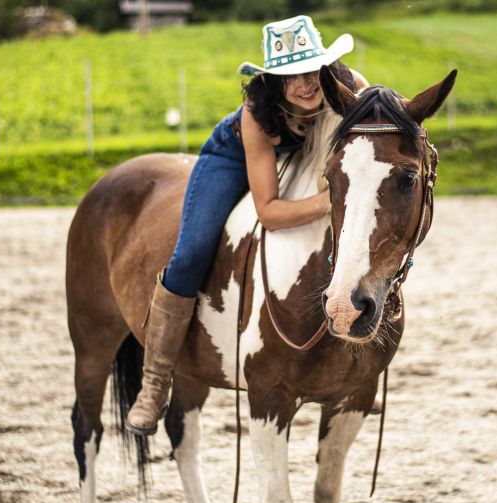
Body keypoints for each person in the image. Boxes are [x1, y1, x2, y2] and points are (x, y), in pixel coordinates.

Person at [126, 15, 368, 435]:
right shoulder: (257, 113)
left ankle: (358, 368)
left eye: (311, 69)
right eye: (291, 76)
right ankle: (154, 382)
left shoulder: (349, 87)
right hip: (234, 156)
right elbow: (270, 211)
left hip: (306, 157)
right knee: (192, 252)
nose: (306, 84)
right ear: (274, 82)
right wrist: (328, 201)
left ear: (325, 66)